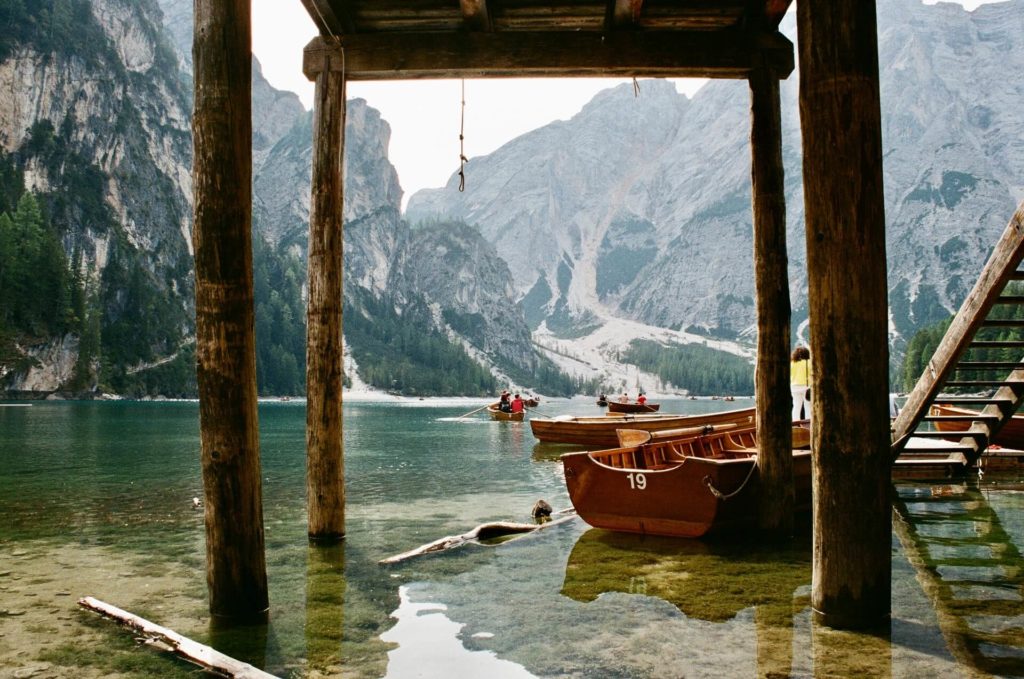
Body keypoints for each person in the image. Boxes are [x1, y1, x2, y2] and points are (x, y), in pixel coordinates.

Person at [790, 345, 812, 421]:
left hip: (794, 387)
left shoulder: (792, 363)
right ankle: (808, 425)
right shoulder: (809, 362)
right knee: (808, 407)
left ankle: (795, 424)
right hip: (806, 387)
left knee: (796, 406)